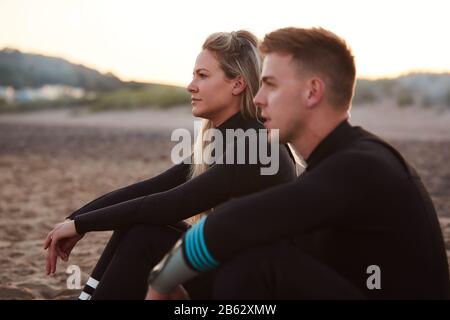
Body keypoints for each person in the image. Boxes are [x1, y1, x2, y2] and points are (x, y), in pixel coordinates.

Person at [145, 27, 450, 300]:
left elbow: (227, 224)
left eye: (270, 85)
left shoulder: (361, 166)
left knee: (254, 264)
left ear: (312, 91)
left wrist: (162, 282)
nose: (259, 98)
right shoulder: (334, 163)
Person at [43, 30, 297, 299]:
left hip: (257, 292)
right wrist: (75, 220)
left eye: (202, 75)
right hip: (234, 273)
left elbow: (169, 205)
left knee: (145, 234)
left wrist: (82, 225)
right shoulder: (228, 140)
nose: (190, 85)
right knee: (137, 223)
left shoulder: (255, 146)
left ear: (237, 84)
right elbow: (149, 189)